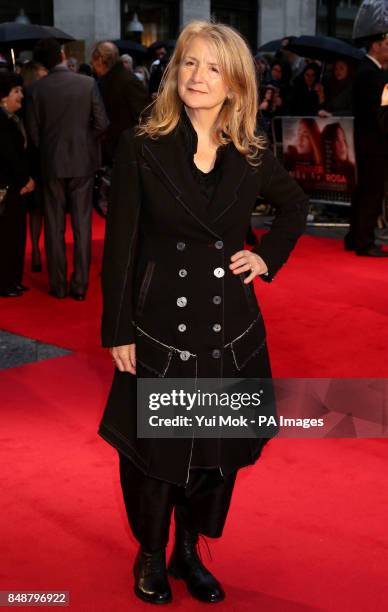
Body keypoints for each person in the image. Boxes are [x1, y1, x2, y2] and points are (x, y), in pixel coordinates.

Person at [98, 20, 308, 605]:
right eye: (189, 63)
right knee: (158, 458)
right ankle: (150, 554)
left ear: (235, 84)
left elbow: (295, 210)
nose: (197, 76)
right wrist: (118, 329)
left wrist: (265, 260)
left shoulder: (254, 150)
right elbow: (122, 246)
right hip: (160, 329)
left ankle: (188, 550)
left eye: (213, 67)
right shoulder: (142, 144)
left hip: (230, 330)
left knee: (215, 457)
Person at [26, 38, 109, 299]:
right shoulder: (86, 83)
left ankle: (58, 285)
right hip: (82, 162)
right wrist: (85, 142)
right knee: (83, 225)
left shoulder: (36, 90)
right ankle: (80, 285)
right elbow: (102, 123)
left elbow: (33, 134)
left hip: (51, 163)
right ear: (62, 55)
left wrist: (50, 149)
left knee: (54, 226)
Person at [345, 32, 388, 256]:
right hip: (374, 143)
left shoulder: (369, 71)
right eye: (387, 45)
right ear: (375, 46)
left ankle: (355, 237)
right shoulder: (372, 74)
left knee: (364, 190)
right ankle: (364, 241)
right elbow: (380, 113)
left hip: (368, 141)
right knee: (372, 191)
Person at [0, 72, 35, 297]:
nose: (21, 96)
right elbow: (8, 156)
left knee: (17, 234)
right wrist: (24, 180)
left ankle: (14, 279)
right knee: (7, 236)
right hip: (7, 186)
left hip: (16, 186)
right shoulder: (2, 122)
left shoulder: (14, 119)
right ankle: (5, 282)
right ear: (3, 97)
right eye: (16, 92)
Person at [91, 42, 149, 164]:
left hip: (125, 149)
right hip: (119, 147)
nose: (93, 67)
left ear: (101, 61)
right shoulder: (115, 79)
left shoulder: (125, 80)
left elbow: (144, 115)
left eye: (93, 63)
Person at [20, 61, 48, 273]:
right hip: (32, 159)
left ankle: (40, 251)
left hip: (42, 158)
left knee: (41, 210)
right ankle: (37, 251)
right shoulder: (24, 101)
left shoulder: (40, 96)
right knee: (37, 209)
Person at [321, 122, 356, 193]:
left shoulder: (351, 169)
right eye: (337, 140)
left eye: (343, 139)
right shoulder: (321, 169)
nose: (342, 145)